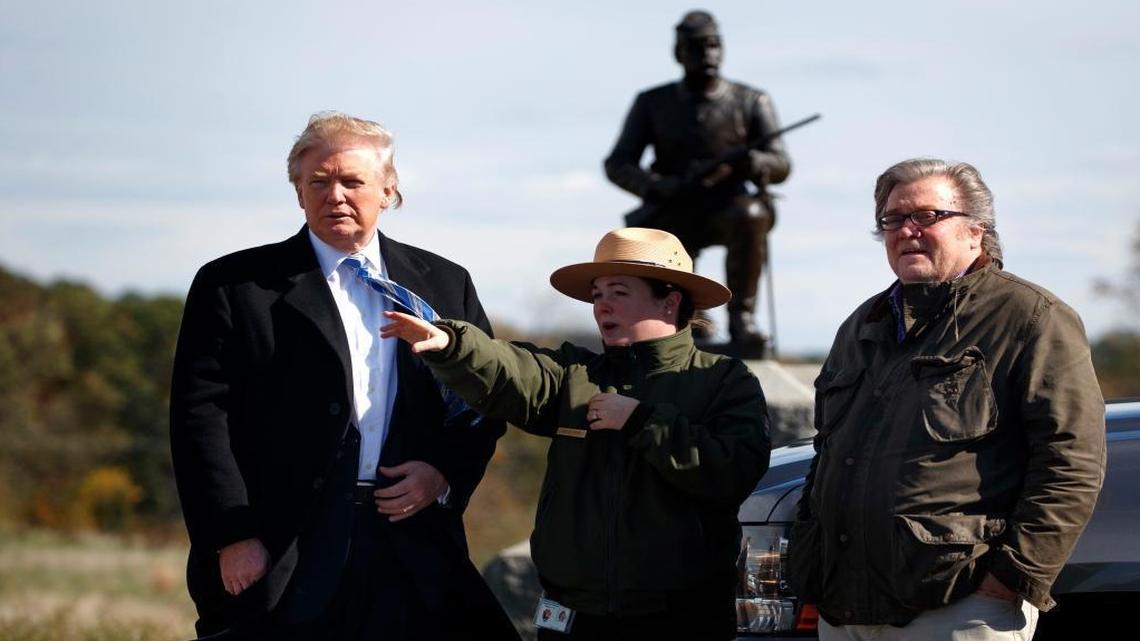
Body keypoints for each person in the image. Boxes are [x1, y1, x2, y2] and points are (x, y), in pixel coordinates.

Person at [170, 111, 517, 640]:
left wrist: (443, 473)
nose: (335, 195)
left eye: (352, 181)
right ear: (298, 192)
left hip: (410, 545)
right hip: (281, 552)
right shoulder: (234, 286)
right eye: (318, 182)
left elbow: (484, 400)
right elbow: (200, 421)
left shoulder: (446, 283)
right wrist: (232, 536)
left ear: (388, 190)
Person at [381, 227, 773, 640]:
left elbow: (733, 472)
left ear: (670, 300)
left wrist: (643, 422)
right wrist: (453, 344)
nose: (602, 305)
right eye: (597, 294)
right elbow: (512, 369)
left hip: (682, 621)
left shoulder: (724, 381)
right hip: (571, 619)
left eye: (618, 292)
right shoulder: (575, 374)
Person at [787, 158, 1107, 640]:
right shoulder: (860, 325)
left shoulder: (1031, 317)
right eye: (893, 219)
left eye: (927, 216)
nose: (906, 230)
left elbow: (1072, 462)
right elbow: (828, 454)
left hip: (959, 603)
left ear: (976, 232)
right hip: (844, 606)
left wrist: (1012, 577)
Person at [604, 10, 792, 348]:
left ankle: (742, 317)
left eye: (713, 45)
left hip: (729, 205)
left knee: (751, 216)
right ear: (679, 54)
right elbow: (617, 163)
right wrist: (656, 187)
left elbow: (781, 164)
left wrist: (753, 162)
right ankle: (687, 320)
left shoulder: (751, 101)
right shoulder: (652, 103)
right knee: (664, 238)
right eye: (696, 47)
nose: (707, 54)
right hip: (674, 207)